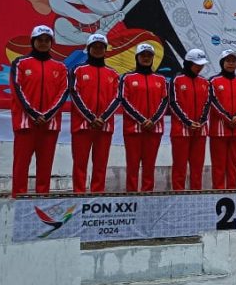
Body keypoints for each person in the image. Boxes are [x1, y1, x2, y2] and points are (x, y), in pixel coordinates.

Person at [10, 25, 68, 196]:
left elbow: (63, 92)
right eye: (40, 40)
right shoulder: (20, 63)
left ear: (51, 43)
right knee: (21, 163)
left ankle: (42, 196)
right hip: (26, 123)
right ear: (33, 41)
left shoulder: (60, 67)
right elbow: (17, 91)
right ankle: (19, 195)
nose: (43, 43)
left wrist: (47, 115)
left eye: (47, 40)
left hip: (49, 125)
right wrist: (34, 114)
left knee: (45, 164)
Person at [69, 33, 121, 193]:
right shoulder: (78, 70)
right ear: (89, 48)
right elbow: (74, 94)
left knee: (100, 164)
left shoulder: (113, 74)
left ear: (105, 50)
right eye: (95, 46)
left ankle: (97, 193)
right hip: (82, 126)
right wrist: (91, 117)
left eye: (101, 47)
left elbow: (117, 98)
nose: (98, 49)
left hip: (104, 127)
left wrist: (103, 118)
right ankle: (79, 193)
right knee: (80, 163)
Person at [119, 43, 168, 192]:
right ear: (137, 57)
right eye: (143, 55)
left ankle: (148, 194)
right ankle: (131, 194)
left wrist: (152, 121)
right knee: (132, 165)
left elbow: (164, 101)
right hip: (133, 129)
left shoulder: (161, 79)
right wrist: (141, 120)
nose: (146, 58)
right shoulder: (127, 78)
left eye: (149, 56)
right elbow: (124, 100)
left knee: (149, 165)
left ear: (153, 58)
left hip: (153, 129)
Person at [169, 48, 210, 191]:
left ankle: (196, 196)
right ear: (188, 63)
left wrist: (201, 122)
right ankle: (178, 196)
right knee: (179, 168)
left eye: (201, 65)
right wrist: (188, 122)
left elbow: (207, 103)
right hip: (181, 132)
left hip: (200, 130)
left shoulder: (205, 82)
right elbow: (173, 103)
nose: (200, 67)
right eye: (196, 64)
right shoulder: (177, 80)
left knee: (197, 168)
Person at [208, 48, 236, 190]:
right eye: (228, 61)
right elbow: (212, 102)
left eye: (233, 61)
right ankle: (218, 191)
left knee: (233, 164)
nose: (231, 64)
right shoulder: (213, 81)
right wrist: (227, 118)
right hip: (218, 131)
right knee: (218, 165)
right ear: (222, 63)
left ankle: (232, 190)